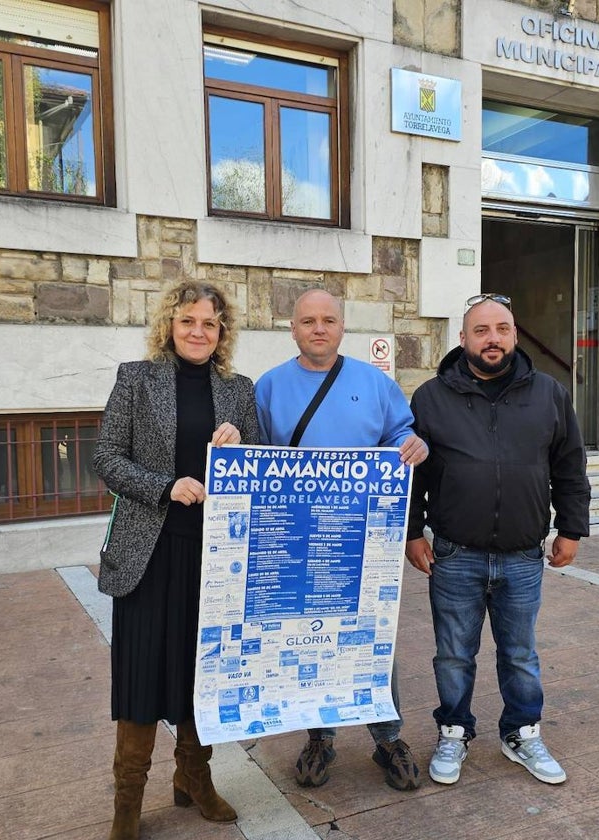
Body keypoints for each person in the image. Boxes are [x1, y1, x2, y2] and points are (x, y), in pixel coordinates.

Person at [93, 280, 260, 840]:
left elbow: (259, 469)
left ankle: (194, 779)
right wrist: (165, 486)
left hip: (214, 556)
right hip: (149, 553)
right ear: (170, 325)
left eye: (209, 324)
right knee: (140, 677)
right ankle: (127, 803)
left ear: (221, 332)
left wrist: (242, 446)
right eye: (188, 321)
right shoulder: (136, 380)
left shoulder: (239, 390)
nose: (198, 331)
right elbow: (107, 459)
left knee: (202, 672)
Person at [405, 292, 591, 788]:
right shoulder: (430, 397)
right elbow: (414, 476)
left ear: (514, 334)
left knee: (520, 654)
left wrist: (571, 528)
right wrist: (410, 534)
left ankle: (522, 732)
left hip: (523, 556)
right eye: (482, 330)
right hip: (453, 554)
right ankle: (453, 730)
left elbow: (570, 466)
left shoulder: (549, 392)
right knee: (452, 654)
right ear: (463, 338)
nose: (493, 339)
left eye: (502, 329)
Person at [255, 288, 429, 791]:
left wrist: (411, 444)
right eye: (308, 320)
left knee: (374, 638)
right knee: (308, 637)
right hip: (296, 540)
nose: (318, 328)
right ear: (293, 329)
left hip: (362, 536)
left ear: (341, 327)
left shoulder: (373, 384)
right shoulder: (268, 387)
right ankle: (319, 734)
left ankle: (387, 736)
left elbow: (401, 433)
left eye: (328, 319)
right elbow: (255, 454)